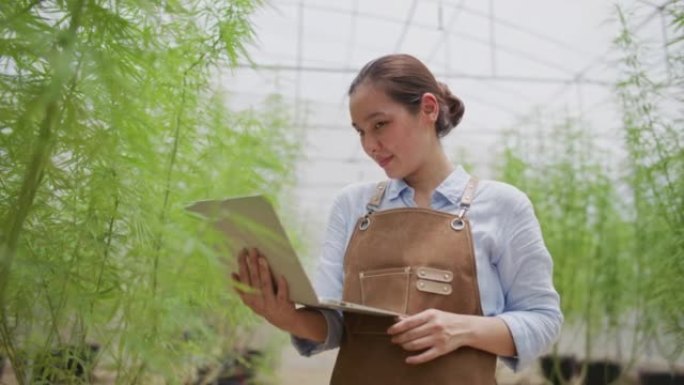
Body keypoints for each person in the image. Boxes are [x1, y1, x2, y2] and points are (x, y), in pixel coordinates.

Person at [232, 54, 562, 385]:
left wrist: (461, 329)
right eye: (360, 131)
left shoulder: (503, 206)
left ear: (429, 109)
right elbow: (334, 325)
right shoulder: (352, 206)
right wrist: (285, 315)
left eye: (380, 125)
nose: (370, 145)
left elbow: (543, 320)